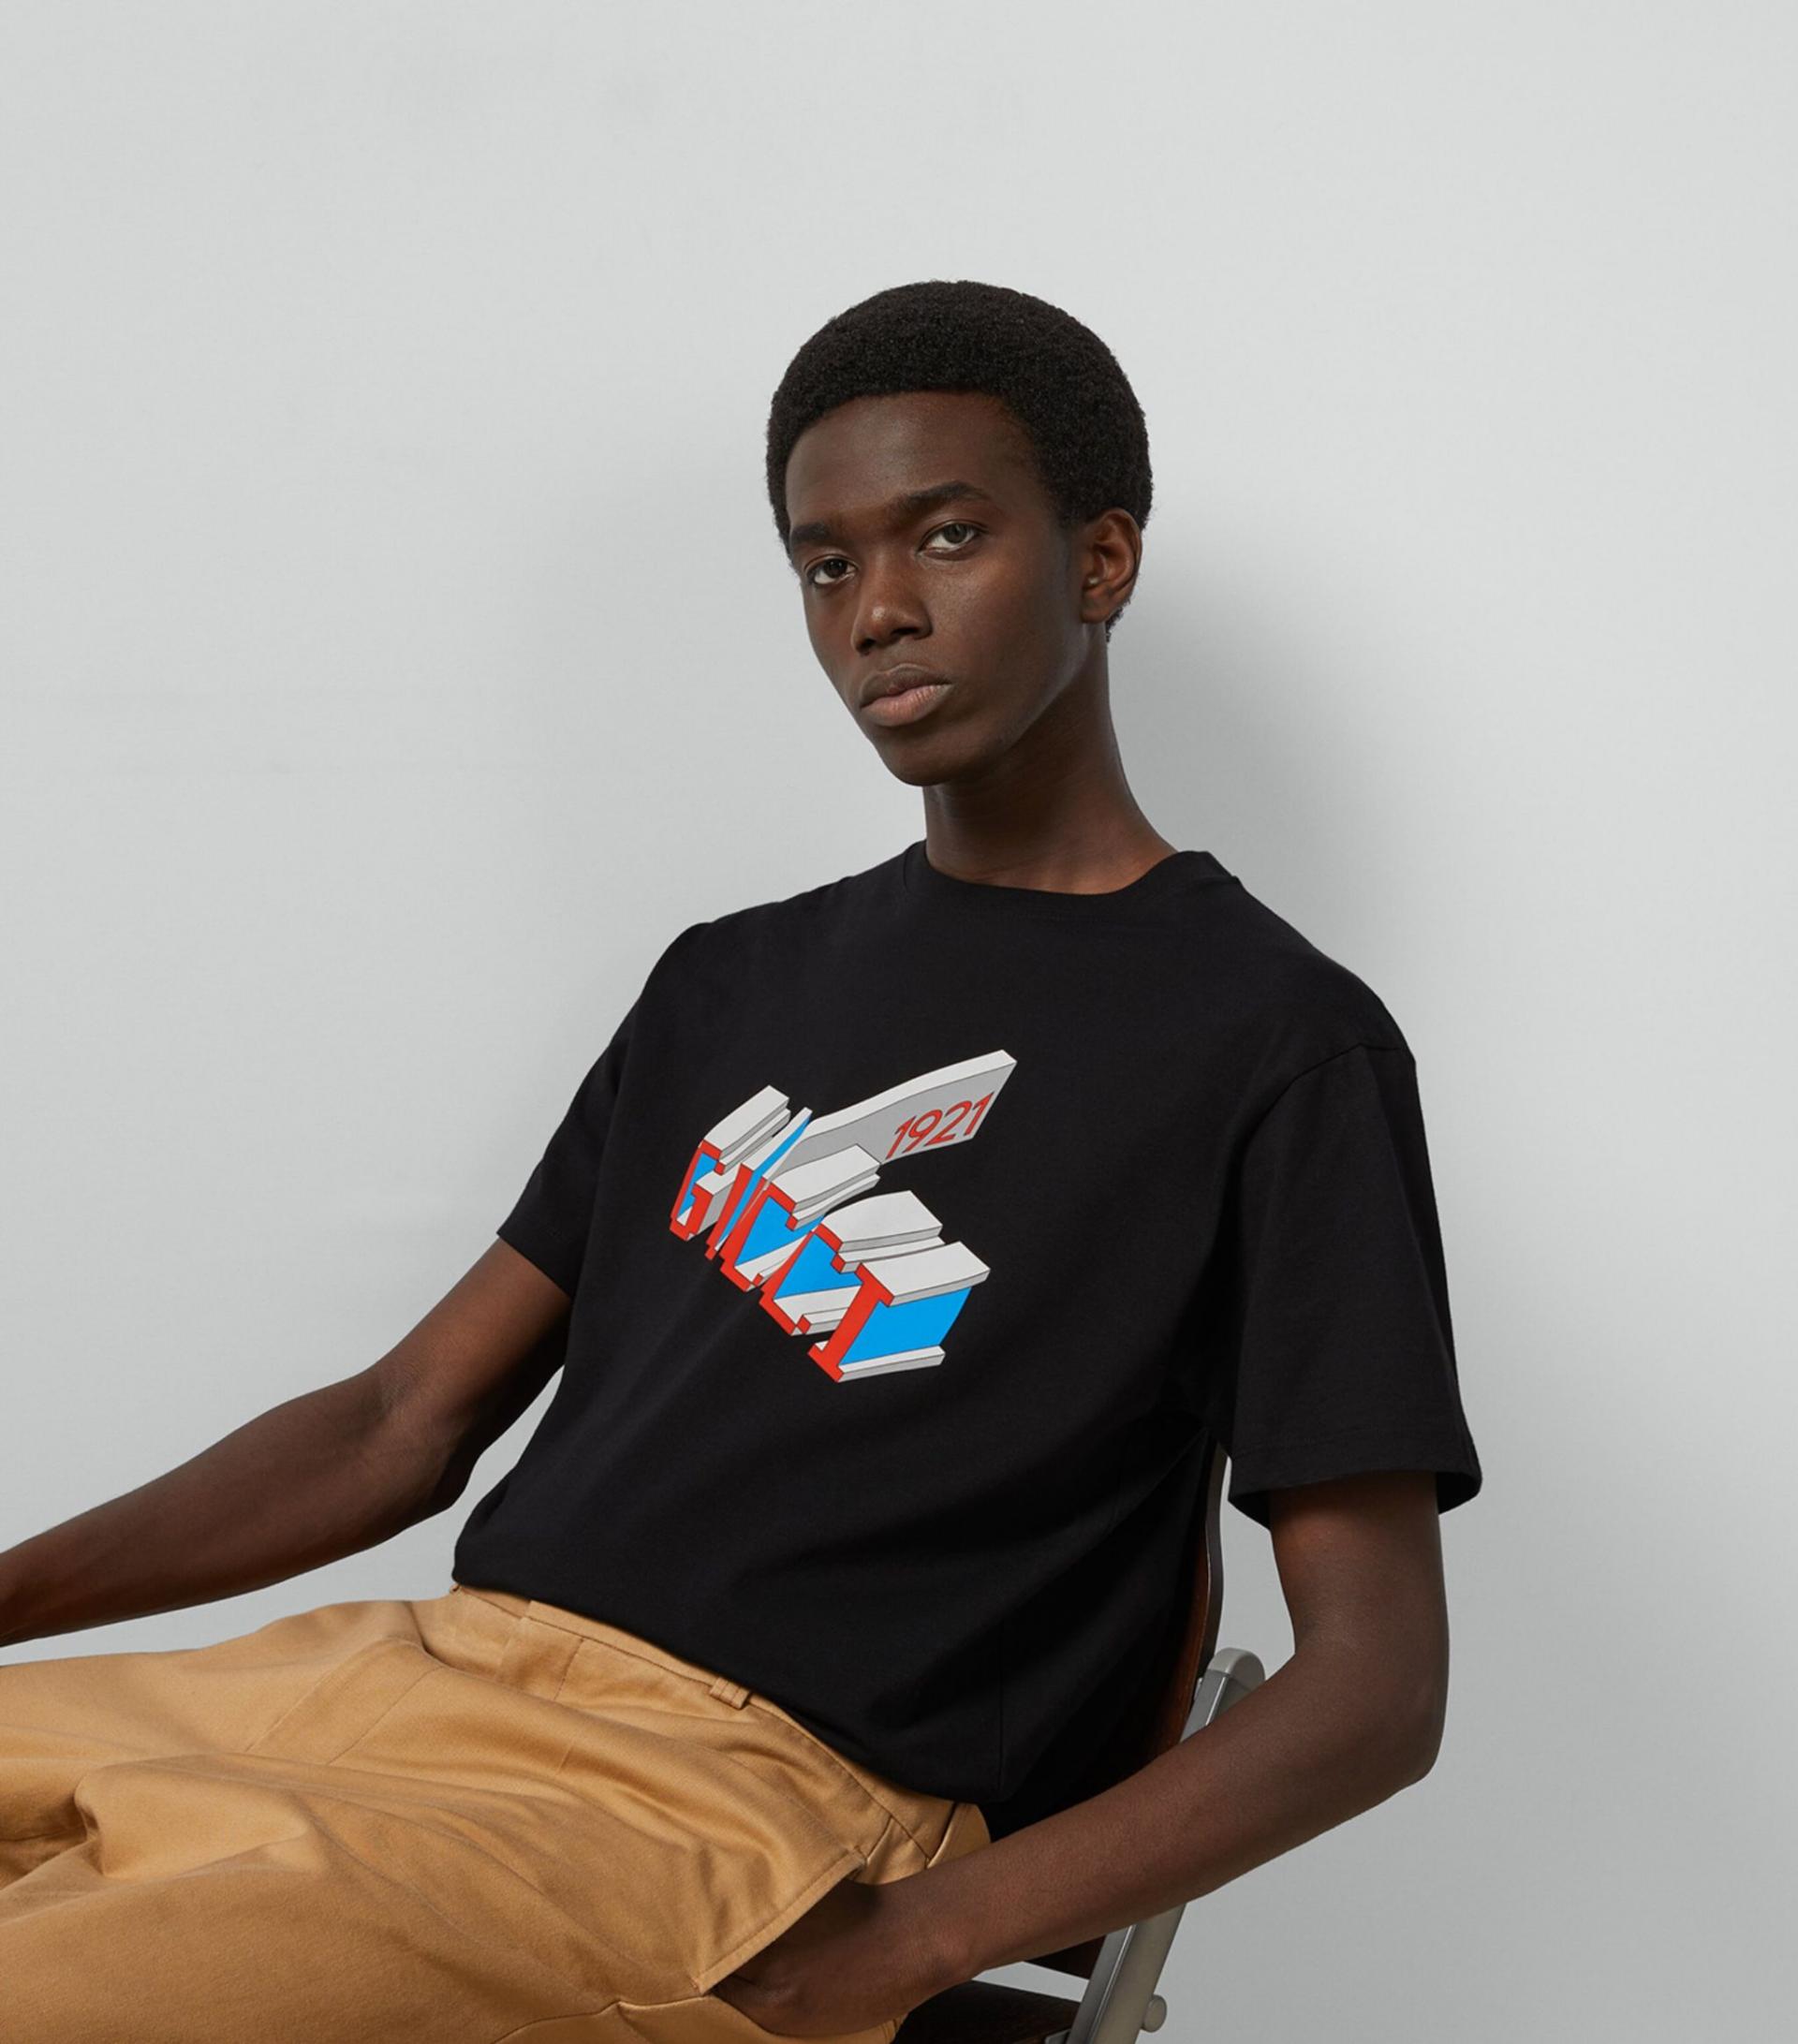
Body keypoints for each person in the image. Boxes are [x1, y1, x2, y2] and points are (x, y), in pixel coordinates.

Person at [0, 279, 1482, 2044]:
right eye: (825, 563)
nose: (878, 611)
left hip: (730, 1808)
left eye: (948, 537)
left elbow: (1377, 1688)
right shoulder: (732, 979)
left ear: (1101, 561)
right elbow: (402, 1420)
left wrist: (911, 1941)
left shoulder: (1275, 1045)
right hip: (408, 1680)